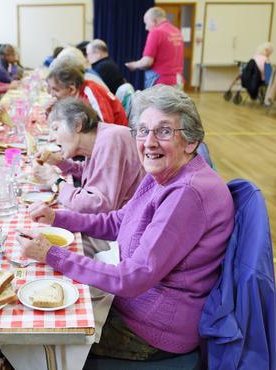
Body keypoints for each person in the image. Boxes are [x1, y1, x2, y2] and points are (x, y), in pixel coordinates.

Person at [18, 85, 234, 361]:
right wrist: (58, 217)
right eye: (143, 130)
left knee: (39, 335)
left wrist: (51, 254)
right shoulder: (164, 172)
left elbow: (132, 277)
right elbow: (118, 220)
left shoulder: (186, 193)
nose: (150, 141)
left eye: (164, 131)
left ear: (191, 142)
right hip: (136, 303)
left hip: (153, 328)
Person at [32, 97, 144, 213]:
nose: (50, 138)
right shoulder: (101, 137)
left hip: (129, 223)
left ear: (77, 124)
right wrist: (59, 161)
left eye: (55, 128)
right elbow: (91, 172)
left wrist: (54, 179)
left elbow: (97, 205)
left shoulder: (111, 140)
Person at [46, 66, 128, 126]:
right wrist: (52, 114)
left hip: (115, 139)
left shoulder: (91, 92)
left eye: (56, 90)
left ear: (72, 89)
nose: (51, 94)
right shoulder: (75, 95)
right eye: (50, 89)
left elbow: (104, 126)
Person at [125, 7, 184, 88]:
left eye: (146, 23)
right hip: (177, 80)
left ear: (154, 20)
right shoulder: (176, 31)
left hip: (161, 83)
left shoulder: (156, 32)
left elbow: (147, 62)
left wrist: (134, 65)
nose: (146, 28)